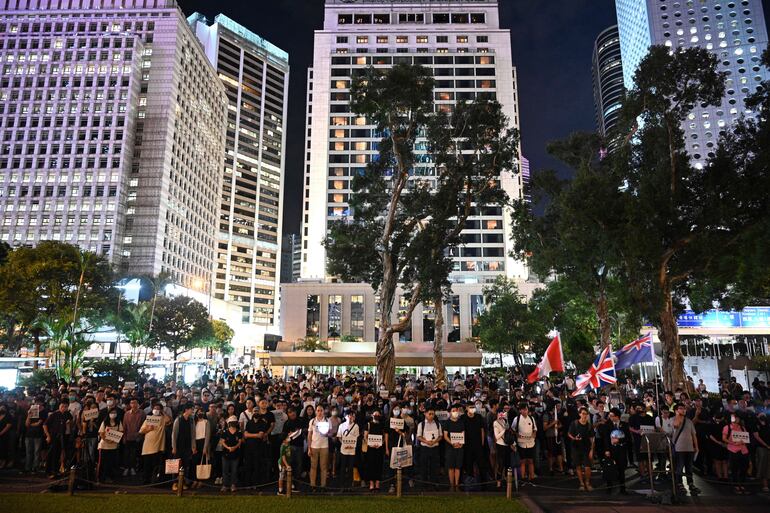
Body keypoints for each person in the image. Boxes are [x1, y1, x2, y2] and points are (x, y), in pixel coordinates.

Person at [671, 403, 699, 495]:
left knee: (689, 467)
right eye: (680, 408)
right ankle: (679, 483)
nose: (683, 410)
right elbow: (675, 425)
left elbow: (693, 434)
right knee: (679, 467)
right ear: (676, 410)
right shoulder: (673, 420)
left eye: (684, 408)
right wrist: (679, 416)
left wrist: (696, 446)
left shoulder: (689, 421)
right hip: (679, 448)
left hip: (689, 448)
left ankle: (690, 483)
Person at [139, 404, 170, 485]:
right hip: (147, 446)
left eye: (158, 409)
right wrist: (148, 429)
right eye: (155, 408)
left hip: (158, 447)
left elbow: (168, 420)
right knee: (147, 465)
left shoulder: (162, 419)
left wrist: (163, 412)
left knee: (155, 465)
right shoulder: (148, 419)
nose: (156, 410)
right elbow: (141, 431)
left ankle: (155, 480)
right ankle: (146, 480)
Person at [43, 399, 72, 478]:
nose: (64, 408)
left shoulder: (68, 414)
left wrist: (69, 424)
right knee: (51, 454)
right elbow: (45, 425)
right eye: (62, 406)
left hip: (63, 436)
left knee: (59, 453)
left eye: (65, 406)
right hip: (54, 436)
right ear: (59, 406)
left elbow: (71, 426)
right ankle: (49, 471)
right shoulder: (54, 414)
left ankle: (56, 470)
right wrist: (48, 436)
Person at [171, 403, 197, 491]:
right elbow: (174, 435)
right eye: (191, 409)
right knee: (176, 465)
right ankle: (175, 483)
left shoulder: (191, 420)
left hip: (187, 446)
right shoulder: (178, 419)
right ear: (186, 410)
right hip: (178, 446)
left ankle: (183, 483)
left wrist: (193, 447)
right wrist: (174, 447)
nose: (192, 411)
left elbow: (193, 435)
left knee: (186, 465)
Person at [723, 413, 750, 494]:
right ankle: (735, 486)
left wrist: (743, 442)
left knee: (744, 467)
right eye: (734, 418)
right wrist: (732, 442)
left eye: (737, 418)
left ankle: (742, 484)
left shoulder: (742, 427)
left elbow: (746, 437)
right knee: (734, 468)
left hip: (744, 450)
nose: (736, 419)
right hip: (733, 450)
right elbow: (724, 438)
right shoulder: (727, 427)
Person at [568, 407, 594, 491]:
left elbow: (592, 439)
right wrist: (574, 438)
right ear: (579, 414)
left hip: (586, 448)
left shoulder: (589, 425)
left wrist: (592, 450)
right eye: (583, 413)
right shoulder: (574, 423)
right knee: (578, 466)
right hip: (576, 447)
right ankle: (581, 483)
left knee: (587, 467)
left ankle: (587, 482)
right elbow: (569, 433)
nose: (584, 416)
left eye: (586, 414)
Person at [416, 407, 442, 490]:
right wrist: (426, 441)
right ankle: (424, 484)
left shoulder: (438, 424)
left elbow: (440, 436)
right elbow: (419, 436)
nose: (431, 415)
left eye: (433, 414)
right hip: (425, 448)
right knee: (424, 466)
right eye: (429, 414)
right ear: (425, 414)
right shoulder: (421, 424)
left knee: (434, 467)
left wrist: (434, 442)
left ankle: (433, 484)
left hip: (435, 448)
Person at [511, 402, 537, 484]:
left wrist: (533, 435)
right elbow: (512, 429)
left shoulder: (531, 418)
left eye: (526, 409)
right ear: (520, 411)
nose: (525, 411)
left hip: (531, 443)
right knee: (522, 461)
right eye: (523, 409)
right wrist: (517, 435)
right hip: (521, 443)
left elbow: (535, 429)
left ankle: (532, 477)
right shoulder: (517, 419)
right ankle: (523, 478)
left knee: (530, 461)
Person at [97, 407, 123, 483]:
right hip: (104, 445)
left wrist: (113, 440)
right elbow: (101, 433)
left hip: (114, 446)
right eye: (112, 413)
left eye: (115, 413)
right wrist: (107, 440)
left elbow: (121, 431)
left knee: (111, 463)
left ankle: (110, 477)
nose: (113, 414)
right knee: (102, 463)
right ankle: (101, 478)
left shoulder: (118, 422)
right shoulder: (104, 422)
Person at [307, 404, 330, 489]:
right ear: (316, 411)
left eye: (321, 410)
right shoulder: (312, 421)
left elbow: (330, 433)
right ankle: (313, 485)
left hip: (324, 446)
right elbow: (309, 435)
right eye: (318, 410)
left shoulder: (327, 421)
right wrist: (309, 447)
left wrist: (327, 433)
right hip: (314, 446)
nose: (320, 412)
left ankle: (323, 485)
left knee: (323, 467)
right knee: (313, 466)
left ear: (324, 411)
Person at [363, 410, 386, 491]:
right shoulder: (368, 424)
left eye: (378, 414)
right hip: (370, 448)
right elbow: (365, 436)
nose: (376, 415)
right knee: (370, 465)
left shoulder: (382, 425)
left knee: (379, 465)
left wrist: (381, 443)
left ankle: (377, 483)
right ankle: (371, 483)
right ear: (372, 415)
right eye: (375, 414)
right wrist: (369, 443)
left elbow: (384, 436)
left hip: (379, 448)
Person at [121, 398, 145, 477]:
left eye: (135, 403)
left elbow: (144, 425)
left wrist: (141, 436)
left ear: (138, 404)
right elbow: (124, 426)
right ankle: (126, 468)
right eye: (132, 403)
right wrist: (124, 437)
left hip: (138, 437)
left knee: (134, 454)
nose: (133, 404)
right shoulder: (126, 413)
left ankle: (133, 468)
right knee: (126, 454)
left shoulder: (142, 413)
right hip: (128, 436)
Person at [443, 404, 465, 492]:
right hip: (450, 448)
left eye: (456, 410)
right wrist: (452, 443)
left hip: (460, 447)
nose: (455, 412)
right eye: (453, 411)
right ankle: (452, 485)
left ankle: (457, 485)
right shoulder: (447, 422)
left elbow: (463, 433)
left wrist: (461, 444)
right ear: (450, 413)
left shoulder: (461, 422)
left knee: (458, 467)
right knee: (451, 467)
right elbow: (445, 436)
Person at [336, 409, 360, 488]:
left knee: (350, 468)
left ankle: (350, 485)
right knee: (343, 468)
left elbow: (356, 437)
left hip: (352, 450)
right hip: (343, 450)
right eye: (349, 415)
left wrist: (351, 444)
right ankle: (342, 485)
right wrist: (343, 443)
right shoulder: (341, 425)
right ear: (346, 416)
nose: (351, 417)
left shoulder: (356, 426)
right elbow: (339, 436)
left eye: (353, 415)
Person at [191, 406, 212, 488]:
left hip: (203, 442)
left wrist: (205, 447)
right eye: (199, 412)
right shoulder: (194, 422)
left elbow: (208, 435)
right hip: (195, 443)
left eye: (202, 412)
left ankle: (201, 481)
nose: (200, 413)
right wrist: (193, 447)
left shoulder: (206, 422)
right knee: (195, 462)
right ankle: (195, 480)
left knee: (202, 462)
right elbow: (192, 436)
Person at [220, 418, 242, 493]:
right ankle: (225, 485)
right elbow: (222, 442)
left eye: (234, 422)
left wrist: (234, 448)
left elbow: (239, 442)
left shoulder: (239, 432)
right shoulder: (225, 432)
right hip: (226, 454)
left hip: (235, 453)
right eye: (231, 422)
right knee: (225, 470)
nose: (233, 423)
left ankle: (233, 485)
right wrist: (228, 448)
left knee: (234, 470)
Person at [753, 412, 770, 493]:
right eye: (761, 415)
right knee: (763, 465)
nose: (763, 416)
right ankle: (764, 484)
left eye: (764, 415)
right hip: (761, 448)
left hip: (768, 447)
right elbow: (757, 437)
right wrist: (766, 445)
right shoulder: (756, 425)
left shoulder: (768, 424)